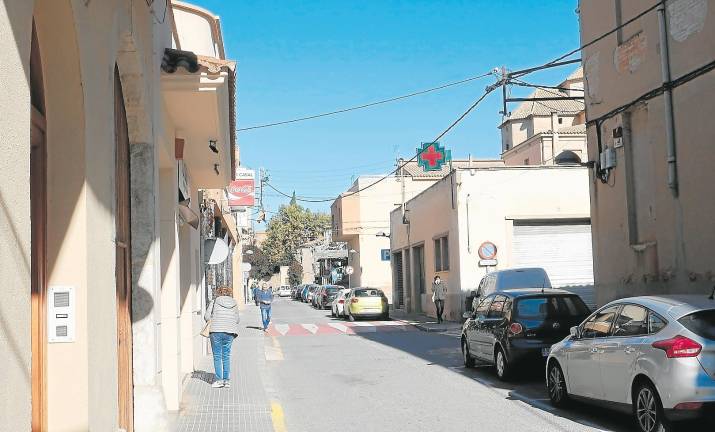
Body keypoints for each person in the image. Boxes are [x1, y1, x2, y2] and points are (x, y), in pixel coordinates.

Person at [204, 286, 240, 388]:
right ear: (229, 293)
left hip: (216, 331)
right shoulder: (234, 303)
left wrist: (214, 318)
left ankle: (219, 381)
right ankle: (226, 381)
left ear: (219, 293)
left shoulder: (215, 302)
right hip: (230, 332)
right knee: (226, 355)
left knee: (217, 356)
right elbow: (237, 319)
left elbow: (207, 316)